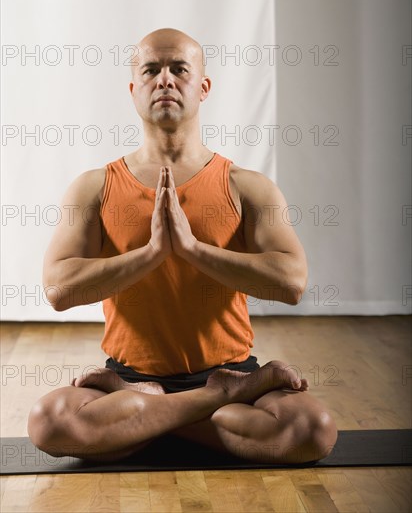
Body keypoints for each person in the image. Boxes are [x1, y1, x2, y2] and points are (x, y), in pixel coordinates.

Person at [27, 28, 338, 464]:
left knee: (312, 430)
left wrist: (193, 249)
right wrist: (152, 253)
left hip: (214, 376)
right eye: (151, 70)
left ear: (203, 87)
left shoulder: (246, 187)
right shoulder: (94, 187)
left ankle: (151, 421)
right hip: (137, 380)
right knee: (49, 421)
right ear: (134, 90)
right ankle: (208, 404)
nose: (165, 80)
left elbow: (292, 282)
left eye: (179, 69)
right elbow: (59, 290)